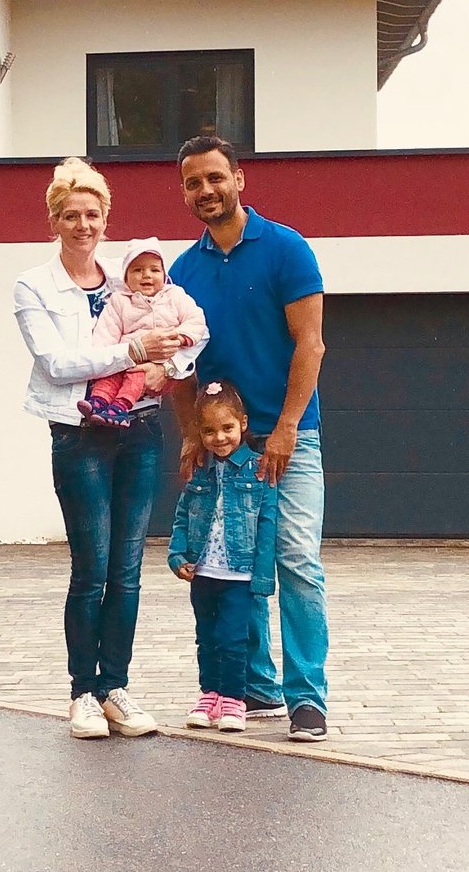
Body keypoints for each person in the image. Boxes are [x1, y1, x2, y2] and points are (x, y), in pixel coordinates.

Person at [13, 157, 191, 739]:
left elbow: (182, 327)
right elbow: (58, 364)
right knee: (91, 569)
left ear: (106, 219)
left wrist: (172, 364)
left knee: (130, 569)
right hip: (79, 433)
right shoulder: (34, 286)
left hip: (139, 431)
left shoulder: (132, 275)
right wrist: (134, 353)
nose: (83, 225)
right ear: (54, 220)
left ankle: (116, 687)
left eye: (93, 214)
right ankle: (82, 694)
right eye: (71, 215)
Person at [168, 135, 331, 743]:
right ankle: (255, 688)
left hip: (289, 437)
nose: (205, 190)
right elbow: (182, 365)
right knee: (232, 564)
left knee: (295, 562)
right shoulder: (182, 273)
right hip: (222, 445)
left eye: (215, 177)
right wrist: (190, 434)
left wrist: (287, 427)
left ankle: (307, 698)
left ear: (240, 180)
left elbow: (309, 344)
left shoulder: (288, 250)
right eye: (192, 183)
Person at [166, 381, 276, 733]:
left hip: (239, 577)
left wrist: (262, 578)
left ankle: (234, 700)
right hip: (203, 572)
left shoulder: (259, 469)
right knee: (207, 637)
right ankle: (209, 695)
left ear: (243, 423)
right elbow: (183, 515)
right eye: (209, 430)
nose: (220, 438)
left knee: (232, 638)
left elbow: (267, 525)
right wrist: (176, 554)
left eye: (227, 428)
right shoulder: (200, 469)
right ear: (199, 432)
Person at [77, 237, 208, 428]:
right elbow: (106, 332)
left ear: (164, 274)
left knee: (136, 375)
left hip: (159, 362)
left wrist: (180, 337)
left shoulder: (175, 296)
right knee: (109, 376)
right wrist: (107, 359)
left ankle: (120, 407)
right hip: (126, 356)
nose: (146, 275)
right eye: (137, 270)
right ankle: (98, 402)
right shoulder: (119, 301)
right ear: (126, 277)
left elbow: (197, 320)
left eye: (154, 270)